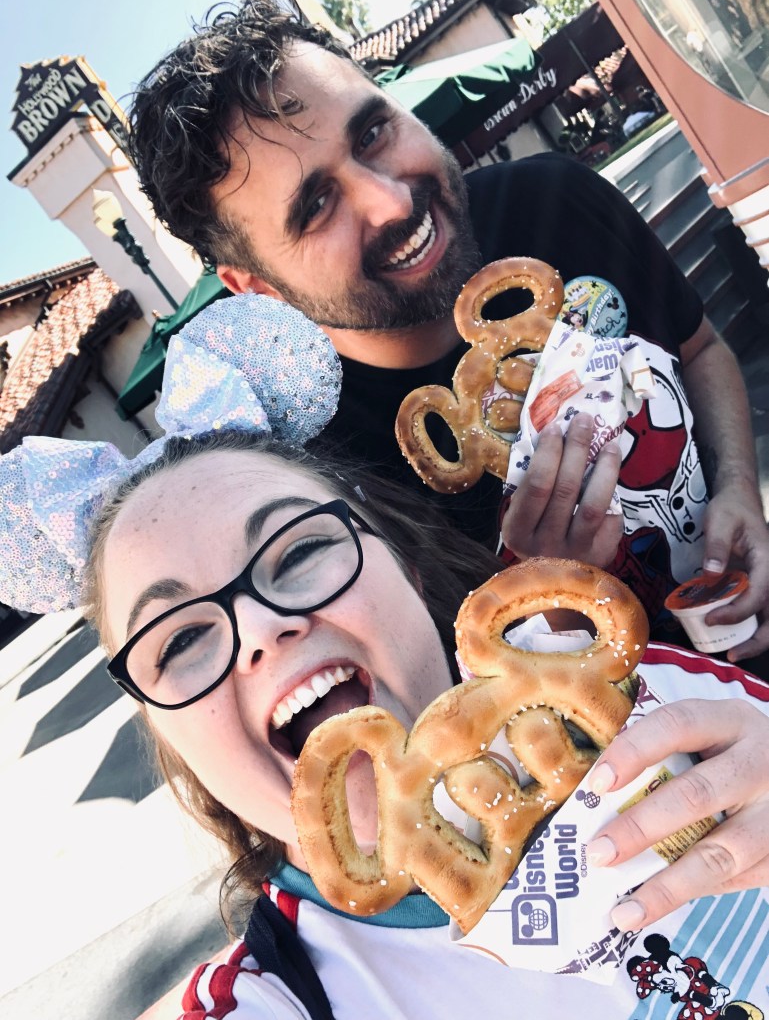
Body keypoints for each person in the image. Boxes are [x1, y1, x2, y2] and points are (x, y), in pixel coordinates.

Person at [2, 309, 769, 1018]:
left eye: (298, 550)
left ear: (399, 559)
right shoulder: (281, 1001)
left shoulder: (666, 704)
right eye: (177, 639)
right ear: (170, 738)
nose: (261, 630)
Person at [126, 0, 769, 668]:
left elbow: (697, 349)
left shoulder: (558, 199)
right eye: (315, 206)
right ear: (255, 286)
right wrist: (551, 606)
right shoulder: (323, 480)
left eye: (372, 132)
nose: (393, 201)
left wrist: (736, 489)